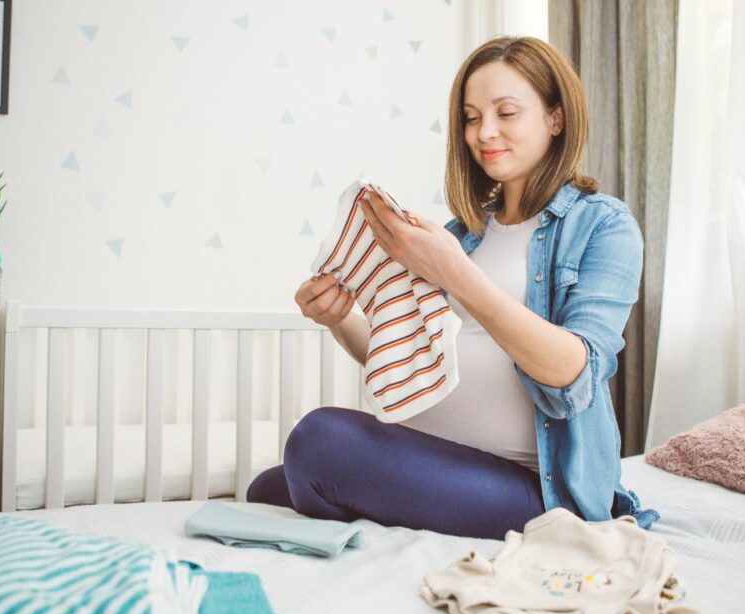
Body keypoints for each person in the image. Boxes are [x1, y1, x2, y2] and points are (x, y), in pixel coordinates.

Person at [246, 36, 659, 539]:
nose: (485, 132)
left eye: (506, 113)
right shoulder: (461, 235)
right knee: (268, 486)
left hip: (531, 485)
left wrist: (456, 275)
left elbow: (574, 373)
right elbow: (405, 356)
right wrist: (340, 320)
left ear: (556, 118)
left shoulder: (603, 226)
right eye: (470, 117)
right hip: (434, 455)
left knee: (316, 443)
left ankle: (373, 503)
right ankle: (381, 500)